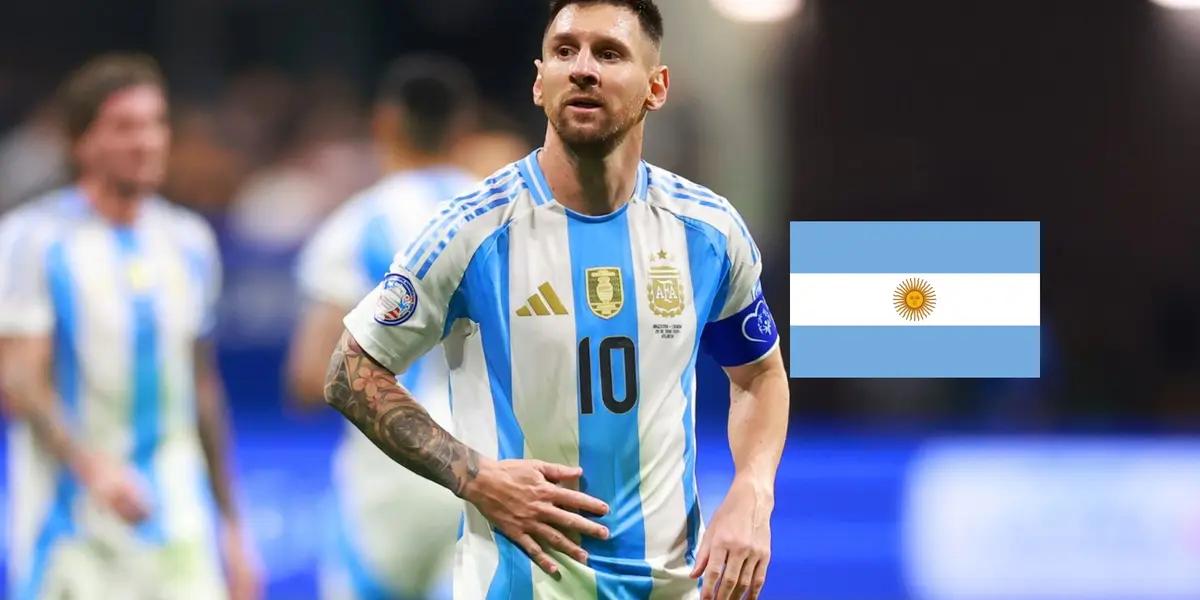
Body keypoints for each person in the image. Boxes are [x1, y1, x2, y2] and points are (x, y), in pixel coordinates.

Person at [323, 1, 789, 599]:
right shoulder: (471, 232)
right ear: (539, 83)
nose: (583, 68)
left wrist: (753, 489)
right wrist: (475, 475)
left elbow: (758, 374)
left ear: (657, 87)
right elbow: (348, 369)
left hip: (670, 588)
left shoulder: (708, 232)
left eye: (610, 53)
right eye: (565, 51)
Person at [0, 54, 259, 600]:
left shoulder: (189, 240)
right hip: (68, 525)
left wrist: (232, 526)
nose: (146, 142)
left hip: (176, 519)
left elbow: (202, 387)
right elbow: (20, 378)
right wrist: (93, 468)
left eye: (155, 123)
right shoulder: (33, 239)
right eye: (124, 127)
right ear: (81, 143)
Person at [286, 54, 479, 599]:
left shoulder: (358, 224)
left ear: (384, 123)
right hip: (493, 468)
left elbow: (309, 376)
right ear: (463, 127)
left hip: (394, 471)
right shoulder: (508, 218)